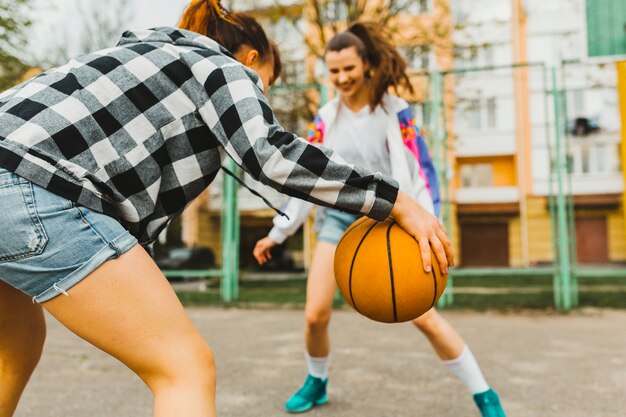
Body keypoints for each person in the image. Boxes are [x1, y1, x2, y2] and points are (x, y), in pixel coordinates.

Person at [0, 1, 453, 416]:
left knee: (14, 350)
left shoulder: (138, 58)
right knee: (185, 368)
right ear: (253, 58)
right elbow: (270, 153)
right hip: (33, 191)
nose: (261, 101)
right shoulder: (222, 67)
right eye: (266, 87)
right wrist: (394, 201)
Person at [253, 22, 506, 417]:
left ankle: (483, 393)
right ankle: (316, 381)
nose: (342, 78)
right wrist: (279, 231)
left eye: (349, 69)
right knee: (314, 314)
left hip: (393, 219)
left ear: (367, 64)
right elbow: (307, 179)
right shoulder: (326, 116)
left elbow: (422, 171)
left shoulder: (395, 111)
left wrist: (430, 225)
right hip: (338, 220)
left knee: (425, 318)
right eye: (334, 71)